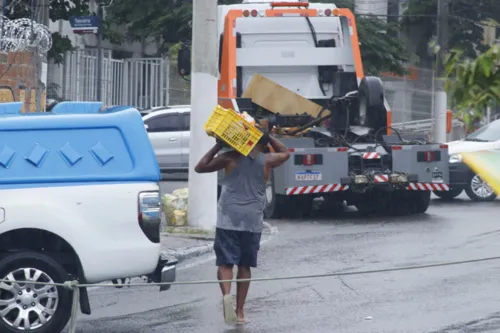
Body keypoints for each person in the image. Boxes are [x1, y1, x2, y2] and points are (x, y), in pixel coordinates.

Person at [194, 131, 290, 325]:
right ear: (261, 144)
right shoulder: (267, 160)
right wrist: (268, 135)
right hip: (252, 219)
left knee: (225, 263)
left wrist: (218, 145)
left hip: (228, 217)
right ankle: (240, 312)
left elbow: (200, 167)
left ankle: (226, 294)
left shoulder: (229, 157)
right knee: (244, 265)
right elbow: (285, 152)